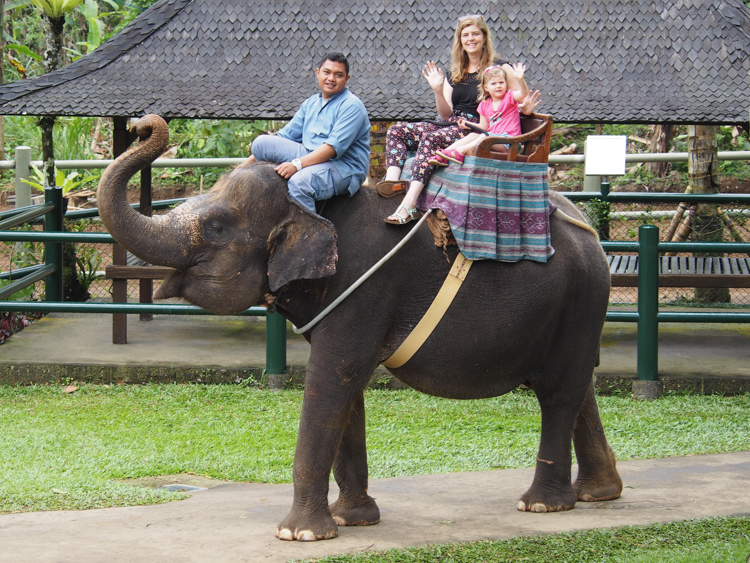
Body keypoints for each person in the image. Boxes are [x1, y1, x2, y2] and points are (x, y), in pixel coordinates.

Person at [377, 15, 538, 225]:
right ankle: (393, 184)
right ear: (460, 40)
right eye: (466, 35)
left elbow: (516, 98)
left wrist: (525, 108)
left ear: (484, 37)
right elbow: (445, 114)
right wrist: (437, 90)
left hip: (476, 126)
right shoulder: (455, 72)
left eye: (475, 34)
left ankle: (410, 203)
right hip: (451, 122)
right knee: (397, 131)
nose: (470, 39)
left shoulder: (499, 68)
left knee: (431, 140)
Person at [238, 53, 370, 214]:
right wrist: (243, 166)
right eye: (327, 72)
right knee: (261, 143)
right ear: (317, 73)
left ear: (347, 79)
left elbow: (332, 148)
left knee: (299, 183)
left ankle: (313, 237)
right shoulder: (311, 103)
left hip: (344, 166)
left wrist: (297, 165)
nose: (331, 78)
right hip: (311, 154)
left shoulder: (352, 106)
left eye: (339, 75)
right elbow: (285, 136)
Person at [431, 63, 529, 166]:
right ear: (486, 87)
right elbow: (484, 126)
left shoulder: (510, 97)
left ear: (506, 84)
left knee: (484, 137)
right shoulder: (484, 104)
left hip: (510, 142)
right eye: (494, 84)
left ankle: (460, 152)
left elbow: (523, 93)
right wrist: (468, 124)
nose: (498, 86)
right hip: (493, 139)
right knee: (473, 135)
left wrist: (520, 80)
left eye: (501, 82)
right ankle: (444, 154)